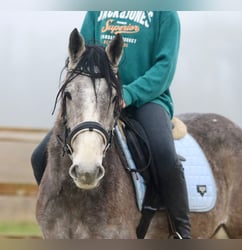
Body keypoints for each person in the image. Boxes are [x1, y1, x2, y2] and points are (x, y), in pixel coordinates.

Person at [31, 11, 191, 239]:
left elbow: (164, 68)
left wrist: (128, 93)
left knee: (163, 154)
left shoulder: (165, 14)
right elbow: (83, 58)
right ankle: (59, 211)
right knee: (39, 157)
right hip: (97, 100)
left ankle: (181, 230)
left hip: (146, 100)